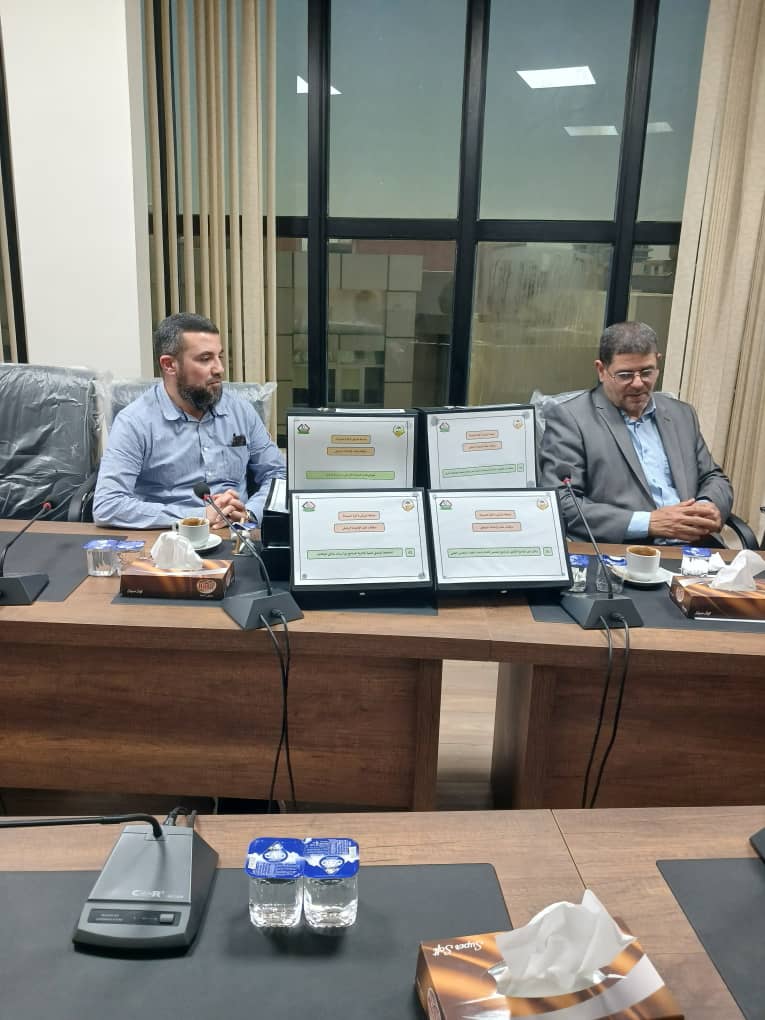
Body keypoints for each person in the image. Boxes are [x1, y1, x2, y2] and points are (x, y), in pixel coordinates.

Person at [538, 321, 733, 544]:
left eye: (647, 372)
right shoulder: (571, 419)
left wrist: (707, 506)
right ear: (601, 370)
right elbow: (561, 503)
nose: (638, 383)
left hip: (697, 548)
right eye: (625, 375)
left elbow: (713, 477)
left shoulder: (681, 414)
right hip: (628, 552)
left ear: (658, 362)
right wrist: (648, 522)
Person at [94, 312, 285, 530]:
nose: (219, 369)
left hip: (236, 533)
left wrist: (250, 513)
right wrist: (199, 516)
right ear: (169, 365)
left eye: (219, 357)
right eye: (205, 359)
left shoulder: (241, 412)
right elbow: (107, 505)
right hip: (168, 537)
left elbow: (278, 475)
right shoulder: (135, 422)